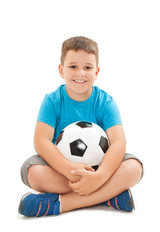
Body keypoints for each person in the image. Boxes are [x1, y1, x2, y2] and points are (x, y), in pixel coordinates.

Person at [18, 36, 143, 217]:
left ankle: (60, 204)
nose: (81, 73)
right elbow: (41, 141)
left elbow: (118, 142)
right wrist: (68, 169)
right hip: (62, 171)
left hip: (101, 170)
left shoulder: (105, 102)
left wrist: (99, 177)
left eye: (87, 67)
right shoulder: (52, 101)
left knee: (134, 167)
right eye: (73, 66)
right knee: (32, 171)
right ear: (61, 70)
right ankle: (109, 196)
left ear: (97, 71)